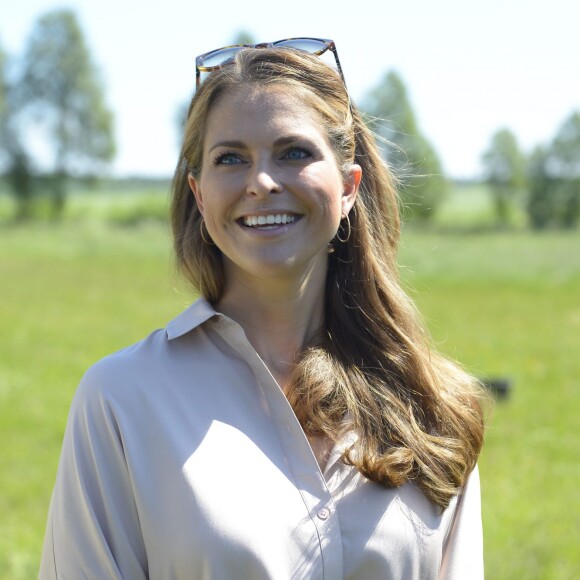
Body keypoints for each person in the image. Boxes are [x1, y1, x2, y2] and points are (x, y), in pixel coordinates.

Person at [40, 38, 486, 579]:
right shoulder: (121, 401)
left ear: (348, 187)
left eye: (294, 152)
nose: (262, 183)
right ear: (200, 195)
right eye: (231, 159)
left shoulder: (431, 405)